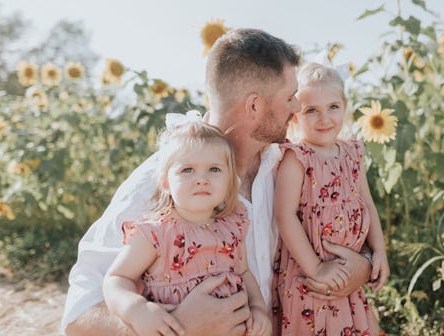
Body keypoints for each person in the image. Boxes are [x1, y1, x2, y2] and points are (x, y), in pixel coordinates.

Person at [63, 28, 373, 336]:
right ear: (254, 106)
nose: (297, 108)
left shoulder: (290, 163)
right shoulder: (162, 182)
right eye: (290, 98)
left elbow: (343, 219)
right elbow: (79, 316)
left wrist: (365, 264)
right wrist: (177, 328)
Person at [102, 119, 270, 336]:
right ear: (165, 182)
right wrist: (138, 311)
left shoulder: (232, 226)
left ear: (229, 181)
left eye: (214, 169)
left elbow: (243, 272)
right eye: (188, 170)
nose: (202, 179)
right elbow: (117, 278)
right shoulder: (156, 233)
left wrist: (258, 308)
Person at [272, 62, 390, 335]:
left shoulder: (352, 154)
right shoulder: (297, 158)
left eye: (333, 107)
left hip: (348, 270)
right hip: (310, 275)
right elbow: (284, 215)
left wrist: (380, 251)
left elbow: (367, 203)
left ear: (345, 107)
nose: (324, 119)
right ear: (295, 117)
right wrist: (316, 269)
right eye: (311, 110)